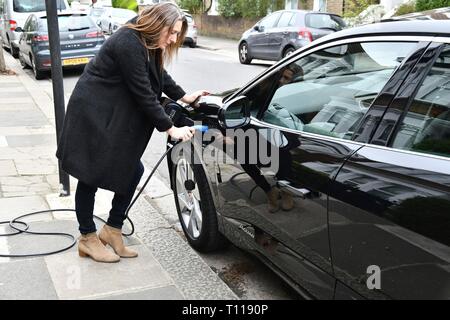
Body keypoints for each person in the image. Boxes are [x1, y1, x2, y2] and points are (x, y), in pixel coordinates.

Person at [56, 3, 209, 263]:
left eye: (176, 35)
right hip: (94, 112)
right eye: (171, 33)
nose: (173, 39)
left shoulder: (148, 42)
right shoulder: (128, 41)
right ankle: (87, 239)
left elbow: (158, 75)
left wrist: (184, 96)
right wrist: (170, 127)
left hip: (111, 112)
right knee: (90, 174)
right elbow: (143, 92)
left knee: (133, 170)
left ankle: (113, 229)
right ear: (158, 23)